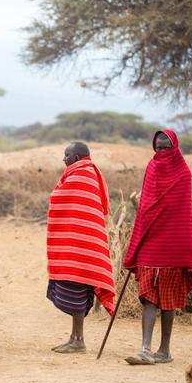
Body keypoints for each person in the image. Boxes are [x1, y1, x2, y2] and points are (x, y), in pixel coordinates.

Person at [123, 129, 192, 365]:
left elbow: (182, 212)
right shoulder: (152, 168)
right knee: (149, 296)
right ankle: (145, 349)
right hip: (151, 241)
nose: (161, 151)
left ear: (174, 146)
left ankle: (164, 350)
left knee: (168, 300)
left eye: (166, 146)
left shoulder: (183, 172)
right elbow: (148, 205)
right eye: (158, 147)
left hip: (173, 242)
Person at [46, 142, 115, 354]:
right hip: (82, 245)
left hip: (79, 247)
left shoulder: (80, 176)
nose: (64, 159)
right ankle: (75, 338)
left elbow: (62, 200)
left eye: (66, 155)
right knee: (78, 290)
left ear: (76, 157)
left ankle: (78, 341)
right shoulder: (89, 173)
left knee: (77, 290)